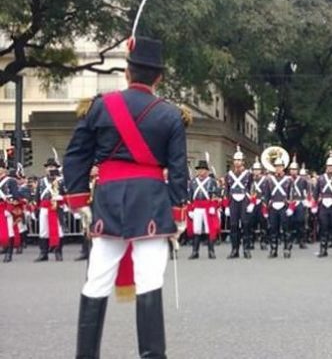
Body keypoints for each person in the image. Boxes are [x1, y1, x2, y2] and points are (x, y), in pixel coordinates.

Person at [62, 32, 189, 358]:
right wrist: (178, 213)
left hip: (108, 201)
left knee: (97, 280)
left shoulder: (100, 107)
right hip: (151, 202)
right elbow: (177, 170)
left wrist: (79, 201)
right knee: (149, 280)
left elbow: (76, 155)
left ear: (127, 72)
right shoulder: (171, 115)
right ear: (159, 77)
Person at [224, 146, 253, 259]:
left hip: (244, 199)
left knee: (246, 224)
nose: (237, 162)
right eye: (235, 160)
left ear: (243, 161)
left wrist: (251, 202)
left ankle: (246, 249)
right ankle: (234, 249)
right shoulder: (228, 175)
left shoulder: (248, 174)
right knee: (233, 225)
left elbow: (252, 189)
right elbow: (226, 190)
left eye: (239, 160)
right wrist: (226, 205)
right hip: (233, 200)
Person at [188, 159, 220, 260]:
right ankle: (195, 251)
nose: (201, 172)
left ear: (207, 171)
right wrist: (190, 210)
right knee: (196, 230)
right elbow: (190, 197)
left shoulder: (212, 181)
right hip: (197, 207)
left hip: (208, 206)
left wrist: (213, 206)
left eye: (203, 169)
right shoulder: (193, 182)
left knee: (209, 229)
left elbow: (216, 196)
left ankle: (211, 251)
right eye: (199, 170)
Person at [34, 158, 65, 262]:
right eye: (48, 167)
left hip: (56, 208)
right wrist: (36, 209)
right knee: (43, 231)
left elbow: (66, 194)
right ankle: (43, 253)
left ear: (56, 168)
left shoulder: (61, 180)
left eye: (52, 167)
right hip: (44, 207)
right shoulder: (41, 181)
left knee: (59, 230)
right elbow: (37, 196)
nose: (50, 169)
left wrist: (60, 198)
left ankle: (58, 252)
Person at [263, 157, 294, 258]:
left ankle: (287, 248)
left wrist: (291, 207)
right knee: (273, 229)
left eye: (280, 166)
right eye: (276, 166)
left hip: (284, 206)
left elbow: (292, 194)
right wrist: (266, 208)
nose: (278, 168)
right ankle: (273, 249)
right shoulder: (269, 179)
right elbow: (266, 194)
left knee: (286, 229)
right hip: (273, 206)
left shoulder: (289, 180)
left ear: (283, 167)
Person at [288, 157, 311, 250]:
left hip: (300, 201)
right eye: (291, 169)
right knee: (289, 222)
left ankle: (302, 241)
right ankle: (289, 241)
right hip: (290, 202)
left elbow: (308, 190)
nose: (293, 171)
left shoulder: (302, 180)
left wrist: (307, 200)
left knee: (301, 221)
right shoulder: (287, 179)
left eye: (294, 169)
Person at [0, 159, 19, 263]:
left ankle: (8, 253)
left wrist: (9, 208)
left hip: (5, 208)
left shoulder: (10, 181)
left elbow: (16, 196)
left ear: (4, 169)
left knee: (9, 231)